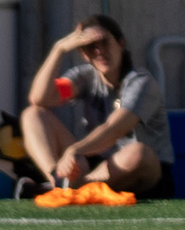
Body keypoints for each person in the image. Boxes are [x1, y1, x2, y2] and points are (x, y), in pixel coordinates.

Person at [21, 14, 175, 204]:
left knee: (139, 152)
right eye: (91, 47)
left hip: (141, 173)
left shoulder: (140, 81)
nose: (99, 51)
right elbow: (40, 98)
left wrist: (74, 150)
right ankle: (58, 182)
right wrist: (58, 50)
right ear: (84, 54)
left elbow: (114, 129)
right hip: (97, 167)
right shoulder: (84, 77)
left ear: (121, 43)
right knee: (33, 114)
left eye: (104, 42)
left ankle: (72, 190)